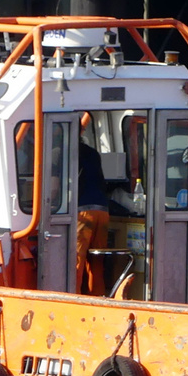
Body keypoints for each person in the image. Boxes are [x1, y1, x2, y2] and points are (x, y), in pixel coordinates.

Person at [77, 113, 112, 293]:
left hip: (82, 213)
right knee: (96, 263)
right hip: (102, 211)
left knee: (76, 263)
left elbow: (53, 188)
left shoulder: (61, 152)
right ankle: (97, 300)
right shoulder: (92, 153)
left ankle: (71, 302)